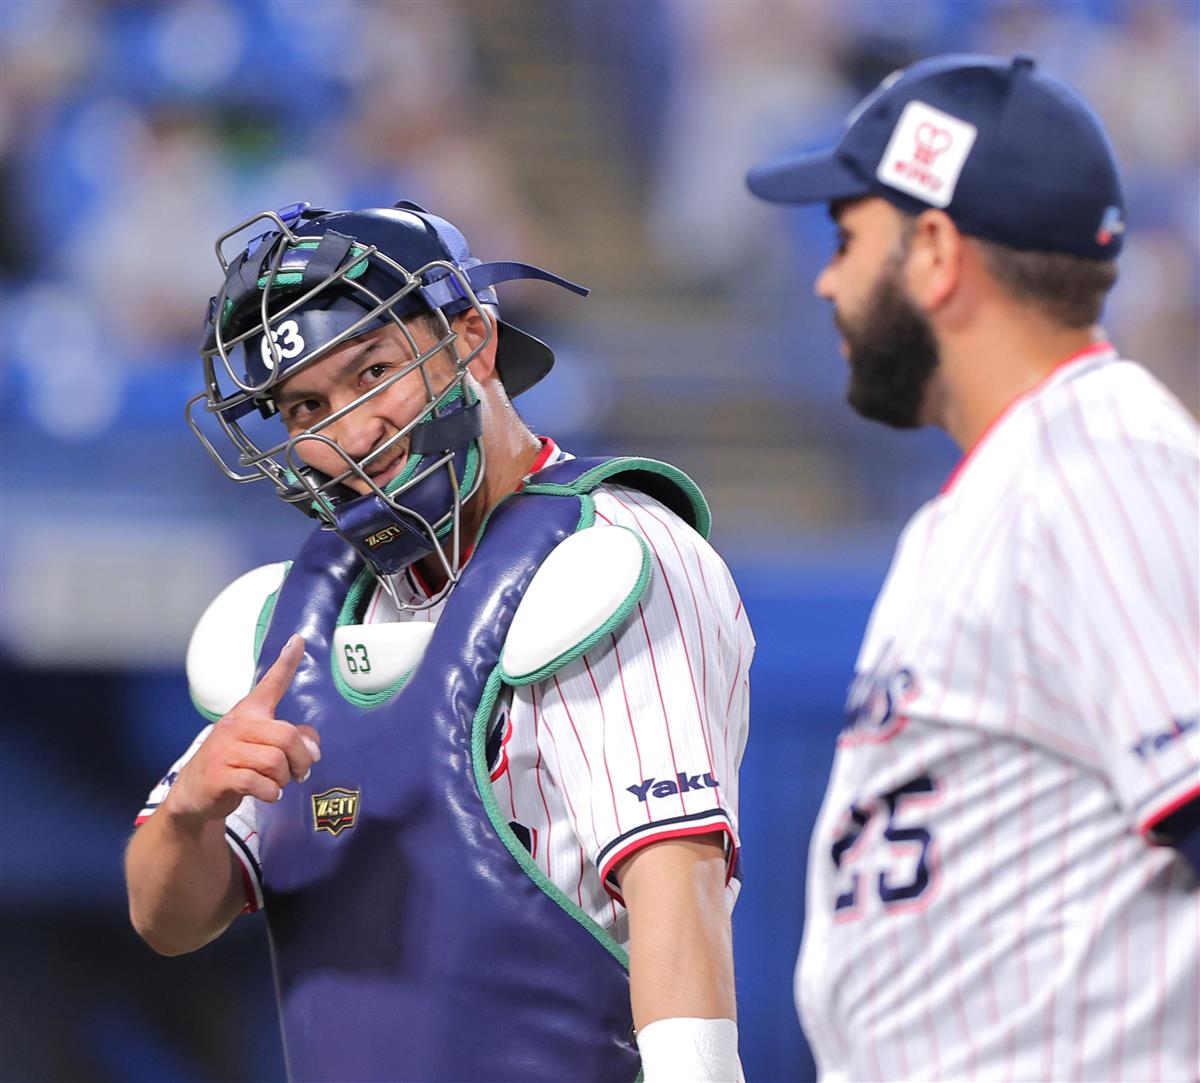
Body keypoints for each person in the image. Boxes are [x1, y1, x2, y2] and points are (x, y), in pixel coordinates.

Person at [124, 200, 753, 1082]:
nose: (347, 432)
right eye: (306, 404)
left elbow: (674, 878)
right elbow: (167, 917)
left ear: (473, 341)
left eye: (374, 371)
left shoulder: (608, 553)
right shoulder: (311, 608)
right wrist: (193, 809)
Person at [747, 53, 1199, 1082]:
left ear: (937, 253)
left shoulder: (1102, 469)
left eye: (849, 239)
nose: (825, 277)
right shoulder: (1012, 486)